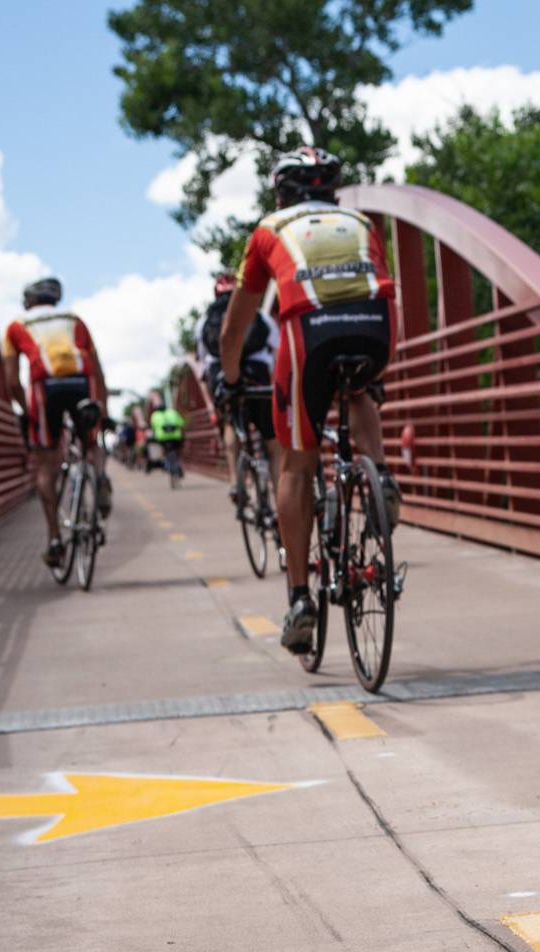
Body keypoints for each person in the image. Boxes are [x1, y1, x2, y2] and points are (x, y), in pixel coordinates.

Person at [216, 146, 401, 655]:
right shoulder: (361, 220)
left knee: (295, 463)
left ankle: (300, 598)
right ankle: (380, 474)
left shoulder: (269, 229)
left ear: (281, 191)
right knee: (360, 385)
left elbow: (237, 326)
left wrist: (231, 378)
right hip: (378, 328)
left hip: (310, 333)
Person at [2, 278, 110, 565]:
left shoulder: (15, 326)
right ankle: (98, 477)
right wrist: (105, 410)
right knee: (91, 442)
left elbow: (12, 380)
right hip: (81, 381)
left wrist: (27, 412)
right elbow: (97, 368)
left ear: (28, 302)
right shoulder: (74, 319)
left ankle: (54, 539)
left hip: (45, 387)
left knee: (45, 463)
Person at [196, 272, 279, 505]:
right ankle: (280, 493)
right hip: (258, 376)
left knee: (231, 423)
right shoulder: (261, 316)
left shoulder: (204, 322)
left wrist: (213, 408)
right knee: (272, 442)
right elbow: (279, 352)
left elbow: (203, 367)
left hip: (223, 378)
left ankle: (235, 481)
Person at [149, 403, 188, 482]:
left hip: (162, 438)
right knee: (177, 450)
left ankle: (166, 465)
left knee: (164, 450)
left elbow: (152, 427)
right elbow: (182, 423)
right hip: (176, 436)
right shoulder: (173, 412)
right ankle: (178, 465)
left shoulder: (154, 415)